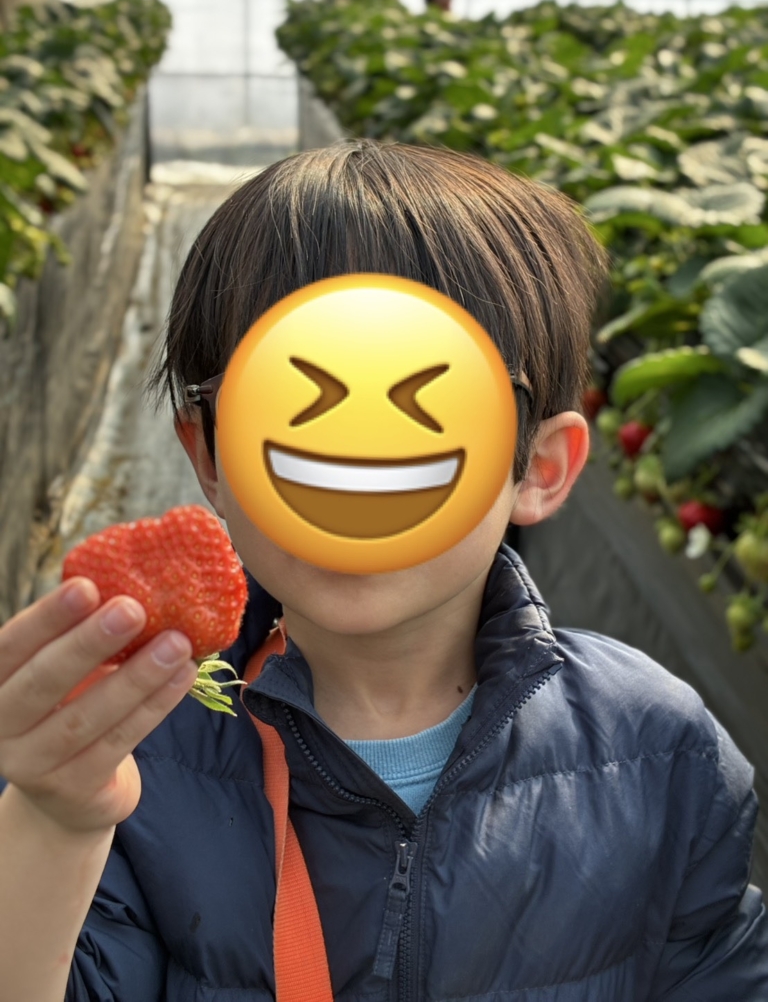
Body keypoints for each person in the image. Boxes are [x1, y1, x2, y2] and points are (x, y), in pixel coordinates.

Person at [0, 139, 767, 1001]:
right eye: (295, 402)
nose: (358, 462)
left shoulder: (660, 750)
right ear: (209, 456)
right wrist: (56, 821)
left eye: (427, 404)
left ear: (539, 467)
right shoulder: (130, 756)